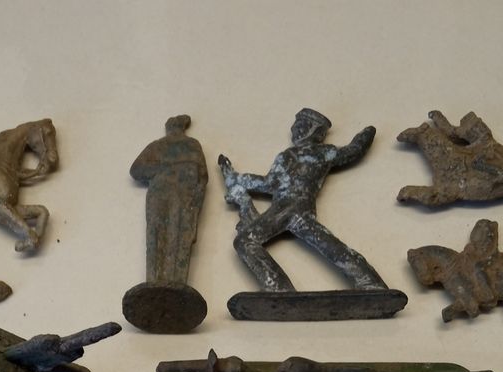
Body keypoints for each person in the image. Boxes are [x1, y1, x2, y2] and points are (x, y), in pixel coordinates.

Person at [219, 108, 385, 292]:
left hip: (288, 207)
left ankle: (279, 288)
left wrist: (365, 135)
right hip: (294, 208)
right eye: (295, 125)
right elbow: (269, 183)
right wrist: (235, 177)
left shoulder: (317, 153)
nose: (294, 129)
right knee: (327, 244)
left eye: (300, 125)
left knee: (245, 241)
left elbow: (352, 151)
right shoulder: (296, 155)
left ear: (315, 131)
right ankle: (370, 281)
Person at [129, 115, 208, 284]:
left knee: (175, 235)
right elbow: (136, 170)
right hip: (164, 195)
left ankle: (170, 282)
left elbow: (202, 178)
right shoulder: (161, 145)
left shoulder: (189, 145)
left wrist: (195, 203)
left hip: (183, 197)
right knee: (160, 233)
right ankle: (157, 281)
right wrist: (169, 169)